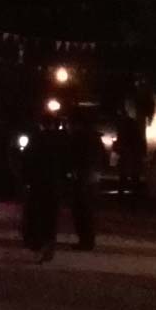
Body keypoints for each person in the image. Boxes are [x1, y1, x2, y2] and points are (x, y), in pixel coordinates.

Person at [21, 116, 66, 262]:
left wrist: (26, 178)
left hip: (38, 183)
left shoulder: (36, 139)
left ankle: (37, 245)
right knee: (51, 217)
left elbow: (26, 160)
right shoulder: (61, 140)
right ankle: (49, 246)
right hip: (55, 183)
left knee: (37, 215)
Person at [68, 110, 106, 250]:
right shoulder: (94, 138)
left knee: (82, 210)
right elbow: (103, 158)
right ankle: (87, 239)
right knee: (87, 210)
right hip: (92, 177)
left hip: (83, 177)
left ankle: (85, 241)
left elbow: (75, 157)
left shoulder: (79, 138)